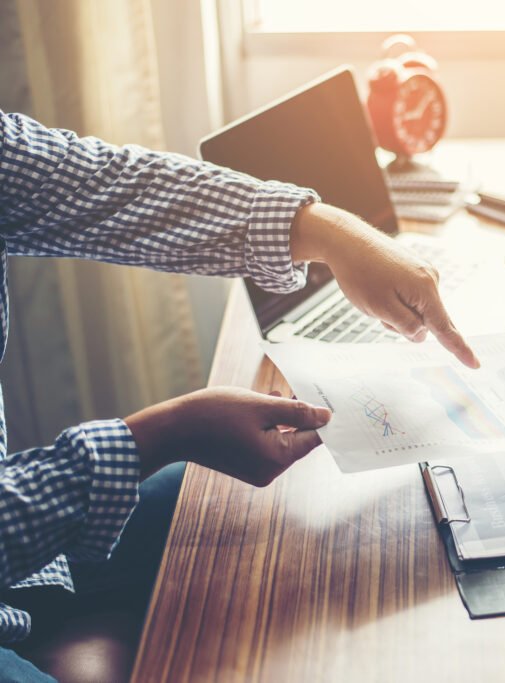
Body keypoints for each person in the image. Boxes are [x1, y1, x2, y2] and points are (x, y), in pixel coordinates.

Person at [0, 109, 477, 681]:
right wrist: (161, 435)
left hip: (27, 553)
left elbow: (101, 182)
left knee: (272, 507)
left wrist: (329, 234)